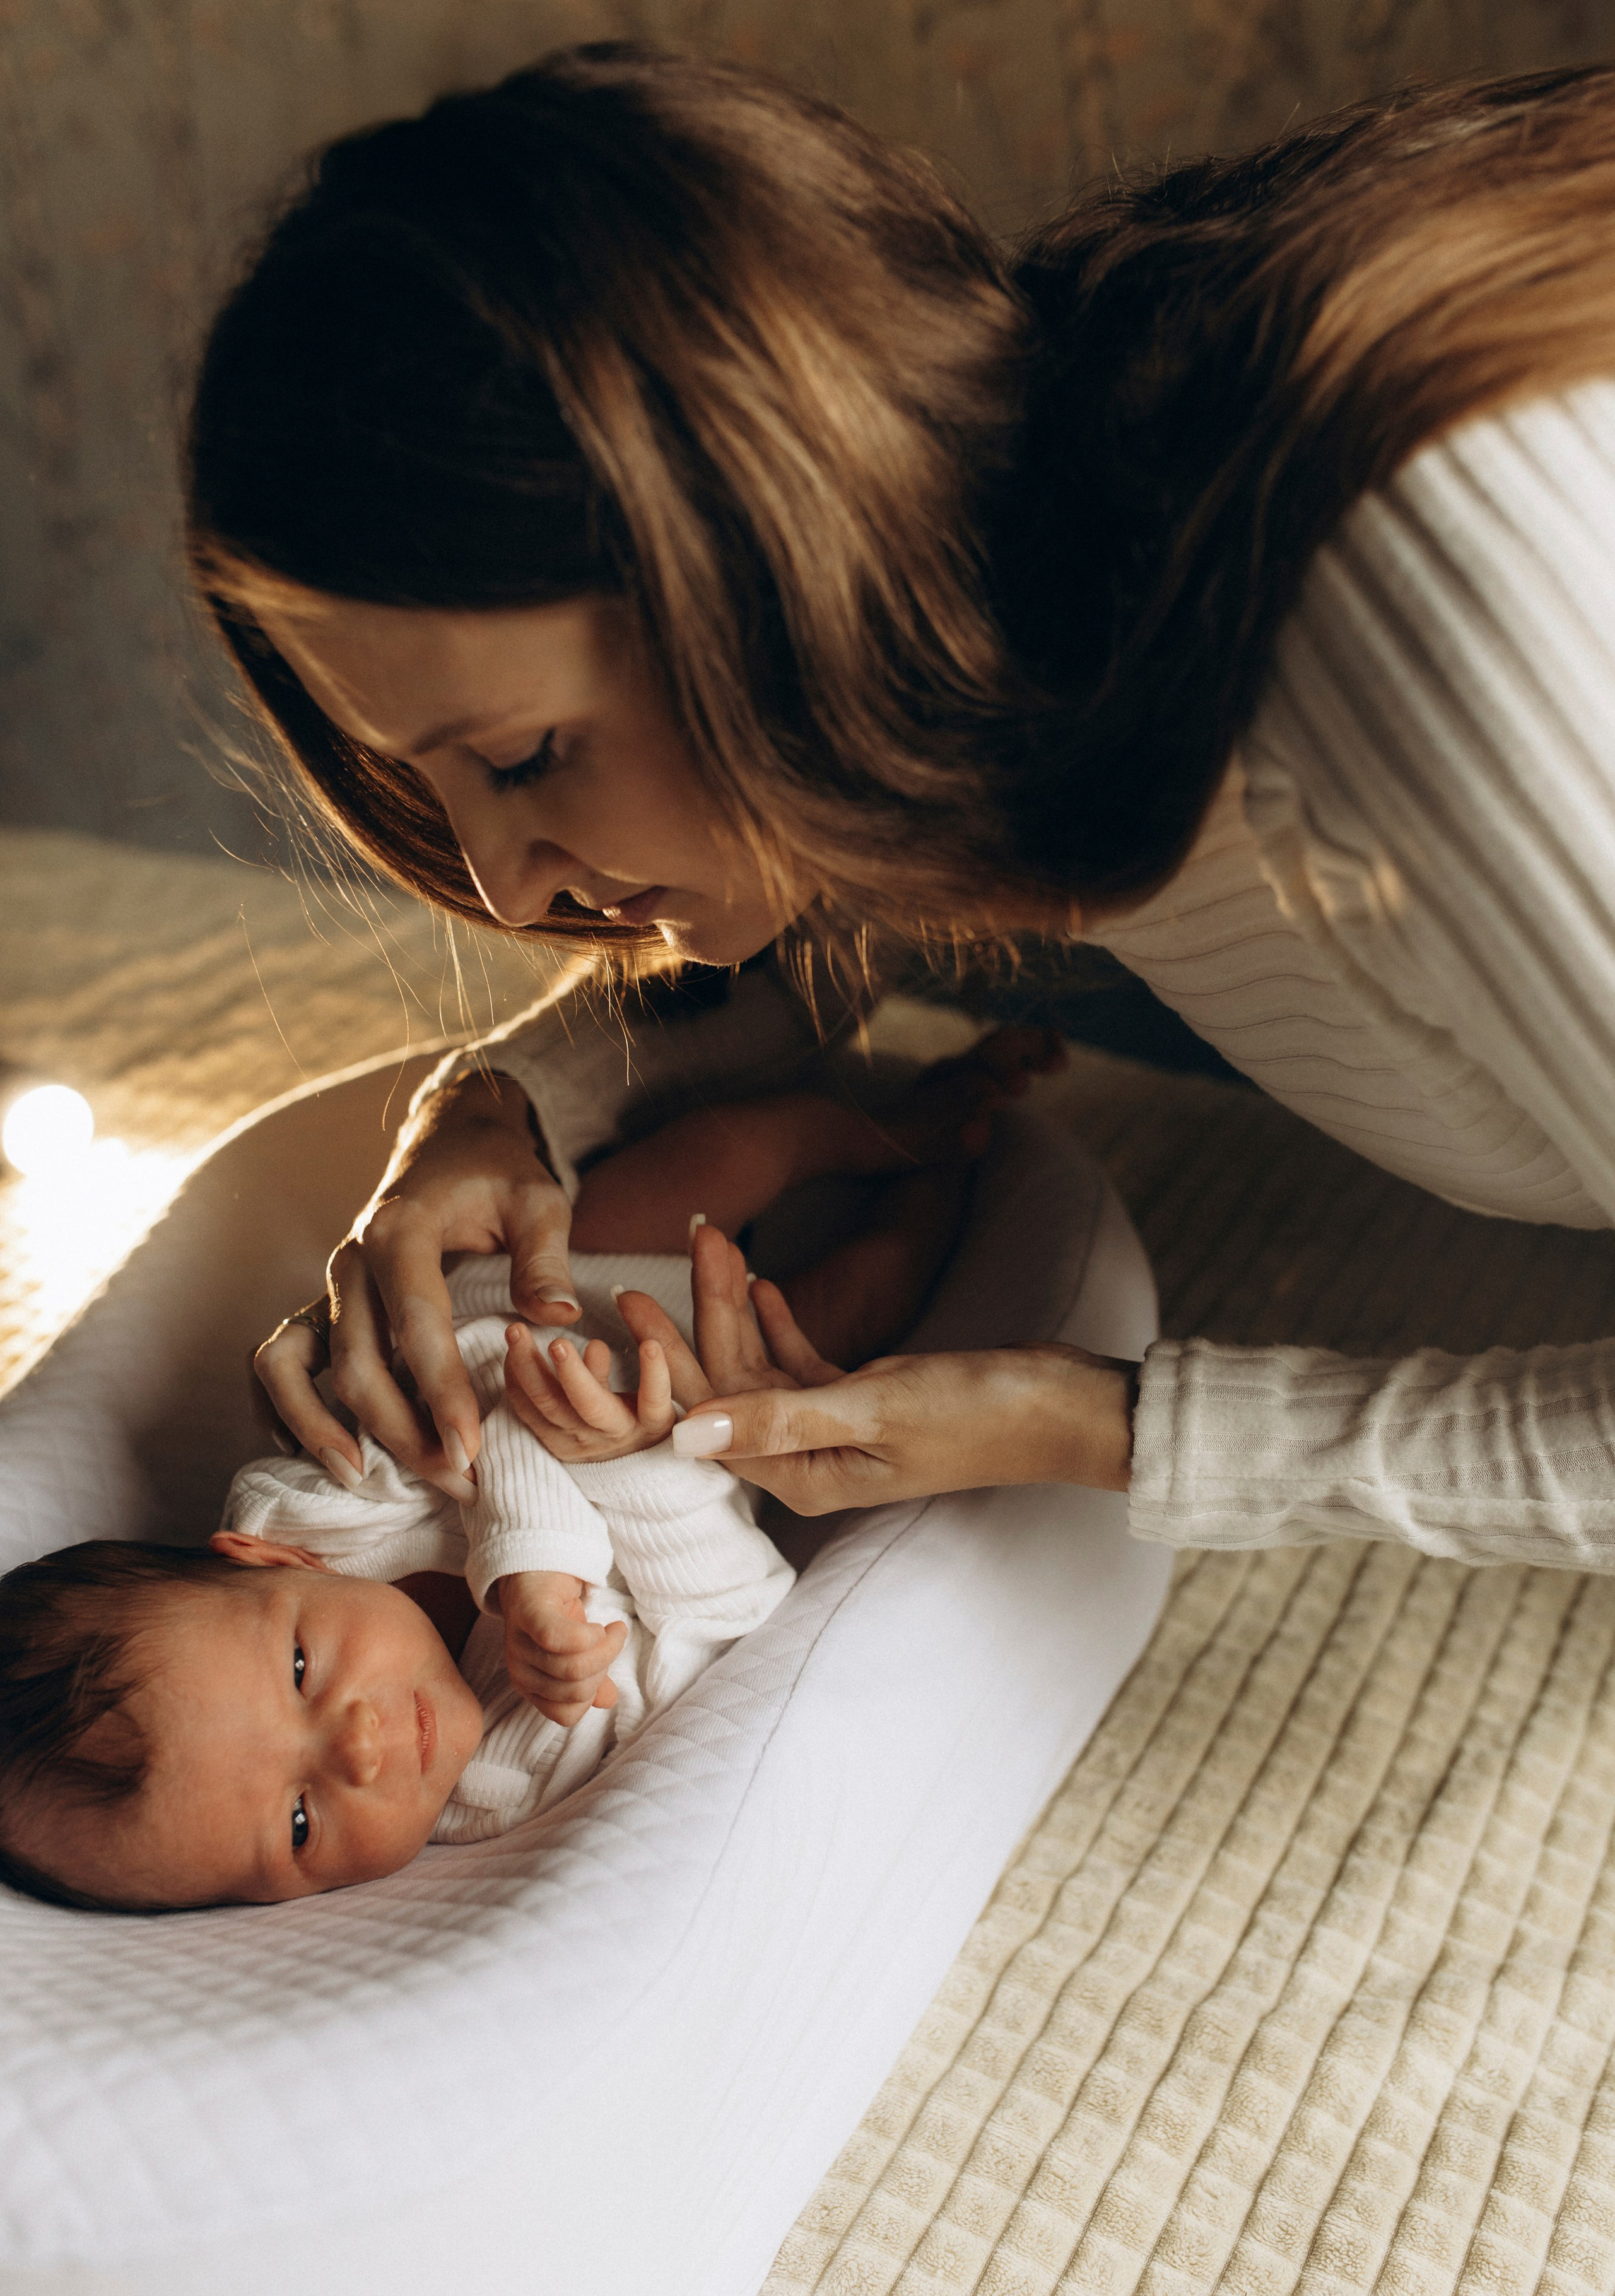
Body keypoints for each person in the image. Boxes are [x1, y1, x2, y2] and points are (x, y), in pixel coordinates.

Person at [189, 45, 1615, 1571]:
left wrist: (1103, 1425)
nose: (507, 885)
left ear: (784, 574)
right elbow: (817, 916)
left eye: (531, 754)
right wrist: (493, 1116)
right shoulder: (1024, 526)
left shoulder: (1424, 606)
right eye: (427, 778)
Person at [0, 1045, 1054, 1911]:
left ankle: (877, 1121)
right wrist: (634, 1467)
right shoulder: (507, 1785)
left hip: (569, 1288)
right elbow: (728, 1609)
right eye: (299, 1823)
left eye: (298, 1671)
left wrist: (532, 1572)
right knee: (865, 1306)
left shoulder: (317, 1501)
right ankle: (951, 1166)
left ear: (260, 1557)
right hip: (712, 1418)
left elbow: (486, 1375)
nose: (361, 1746)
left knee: (720, 1155)